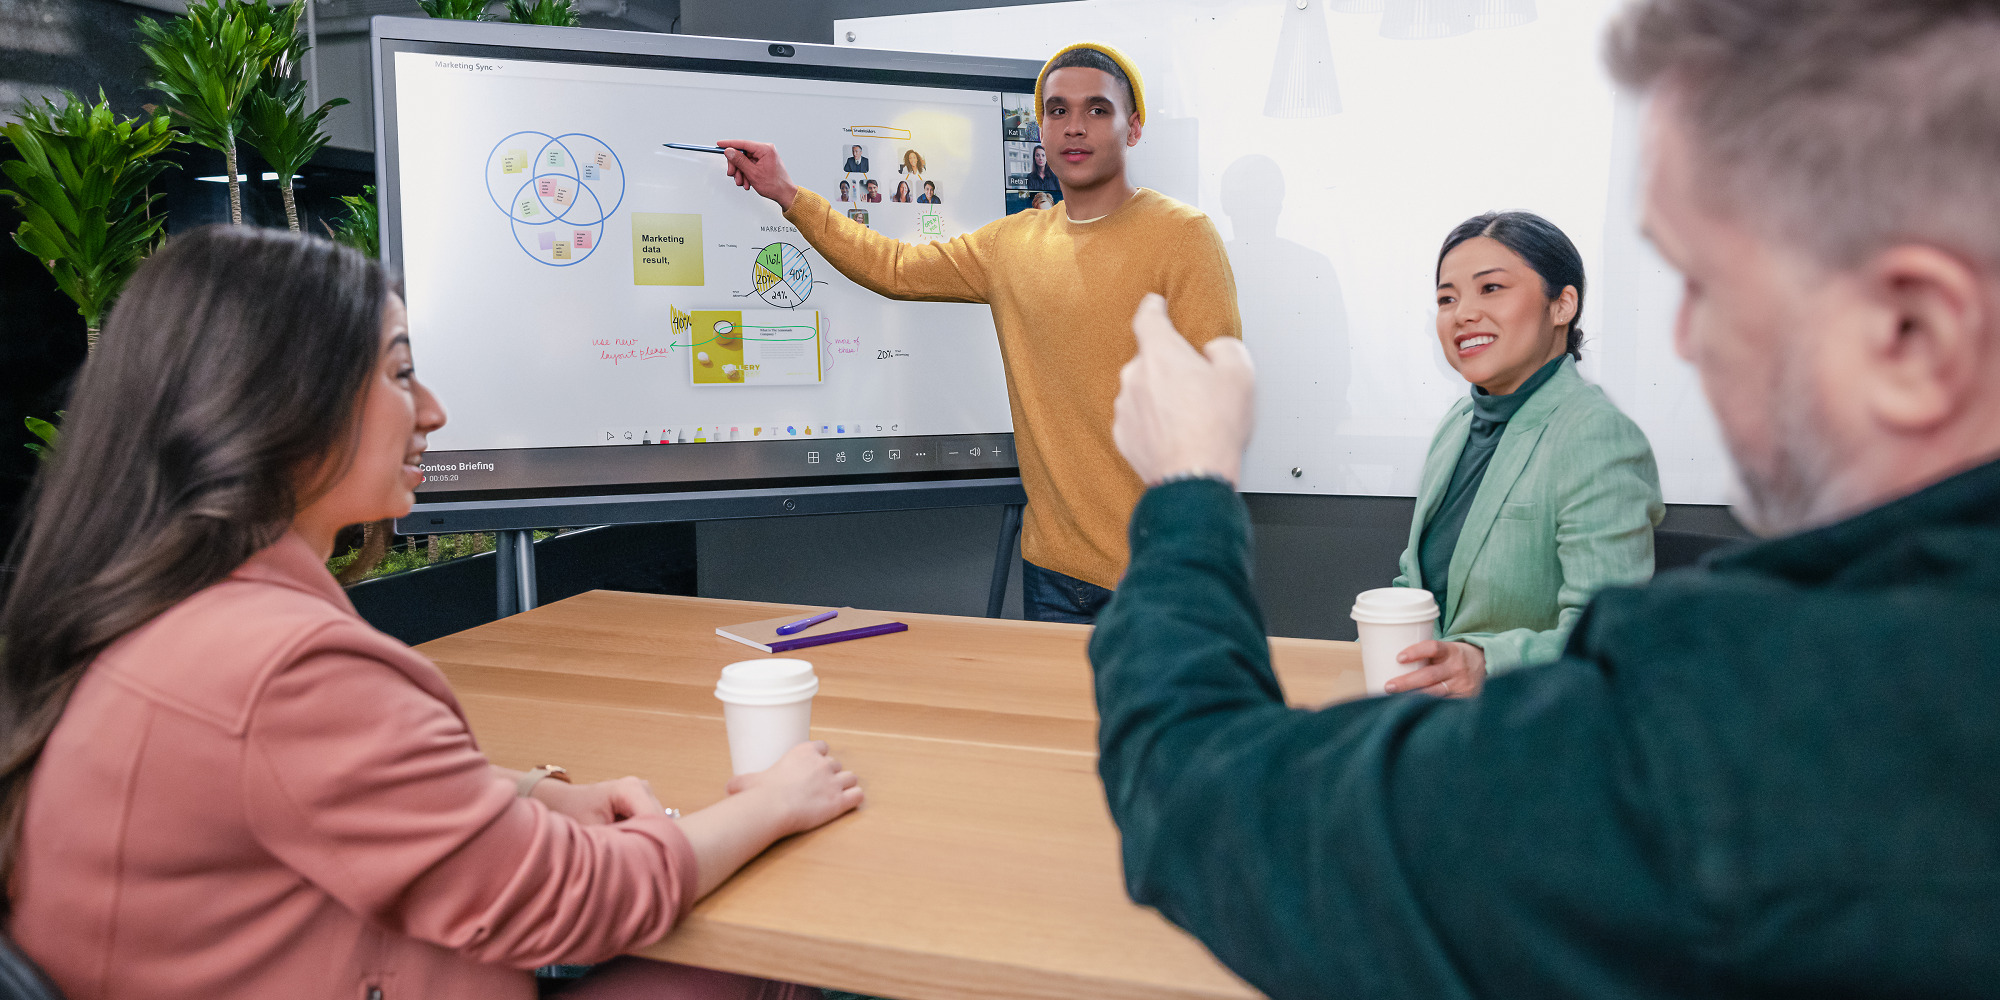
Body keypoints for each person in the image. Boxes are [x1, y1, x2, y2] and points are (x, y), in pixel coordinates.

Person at [1085, 0, 2000, 995]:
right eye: (1444, 295)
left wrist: (1186, 483)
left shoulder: (1739, 720)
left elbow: (1205, 810)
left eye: (1703, 281)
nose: (1686, 340)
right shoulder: (1455, 425)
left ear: (1914, 332)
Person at [0, 227, 864, 1000]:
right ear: (282, 403)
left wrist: (529, 795)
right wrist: (777, 802)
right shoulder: (284, 666)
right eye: (401, 373)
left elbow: (287, 790)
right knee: (773, 946)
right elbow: (580, 902)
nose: (435, 412)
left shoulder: (144, 607)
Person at [718, 42, 1241, 623]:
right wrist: (788, 194)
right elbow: (892, 267)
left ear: (1134, 127)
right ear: (1040, 129)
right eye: (1057, 110)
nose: (1074, 127)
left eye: (1097, 109)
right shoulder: (1010, 245)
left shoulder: (1182, 236)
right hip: (1055, 574)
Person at [1384, 212, 1662, 697]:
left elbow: (1608, 637)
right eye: (1447, 298)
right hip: (1433, 714)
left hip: (1531, 728)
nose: (1462, 313)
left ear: (1562, 305)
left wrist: (1483, 664)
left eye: (1490, 288)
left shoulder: (1595, 434)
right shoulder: (1458, 422)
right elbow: (1417, 580)